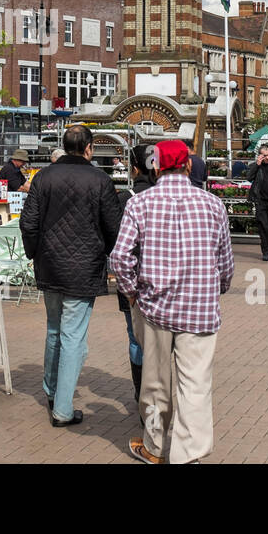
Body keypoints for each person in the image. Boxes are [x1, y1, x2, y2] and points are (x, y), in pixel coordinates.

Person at [111, 139, 235, 464]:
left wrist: (131, 292)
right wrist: (217, 286)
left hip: (154, 306)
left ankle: (153, 448)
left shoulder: (140, 204)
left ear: (156, 166)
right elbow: (225, 262)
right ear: (188, 165)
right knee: (195, 386)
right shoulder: (213, 205)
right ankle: (187, 455)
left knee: (154, 384)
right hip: (199, 309)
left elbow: (120, 257)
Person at [19, 125, 122, 427]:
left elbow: (29, 223)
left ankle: (53, 392)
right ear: (89, 148)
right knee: (73, 335)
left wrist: (34, 252)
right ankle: (62, 407)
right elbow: (114, 226)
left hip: (50, 263)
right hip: (84, 266)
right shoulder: (100, 180)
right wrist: (105, 252)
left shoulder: (44, 178)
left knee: (55, 330)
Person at [115, 144, 157, 403]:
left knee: (135, 337)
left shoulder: (126, 198)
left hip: (132, 279)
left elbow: (117, 245)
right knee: (162, 338)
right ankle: (157, 389)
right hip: (163, 279)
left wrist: (127, 287)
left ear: (134, 167)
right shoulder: (166, 196)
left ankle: (141, 389)